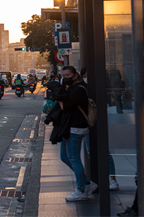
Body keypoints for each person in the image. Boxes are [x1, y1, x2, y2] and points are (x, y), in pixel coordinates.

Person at [54, 65, 97, 202]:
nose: (65, 78)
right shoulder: (71, 88)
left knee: (73, 158)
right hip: (68, 127)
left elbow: (64, 106)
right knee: (64, 157)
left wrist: (59, 96)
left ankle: (81, 190)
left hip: (76, 127)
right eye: (63, 76)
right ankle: (87, 183)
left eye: (68, 76)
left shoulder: (79, 90)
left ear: (75, 75)